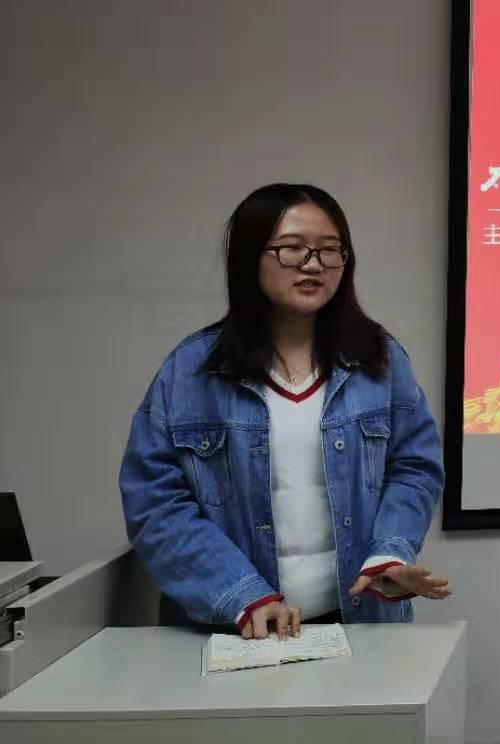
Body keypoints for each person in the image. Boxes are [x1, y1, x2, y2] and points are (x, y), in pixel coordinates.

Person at [120, 184, 449, 639]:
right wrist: (242, 596)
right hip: (235, 628)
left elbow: (415, 467)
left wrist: (389, 555)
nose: (313, 264)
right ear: (248, 257)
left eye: (330, 250)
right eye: (293, 248)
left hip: (360, 624)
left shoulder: (379, 359)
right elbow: (154, 502)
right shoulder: (190, 370)